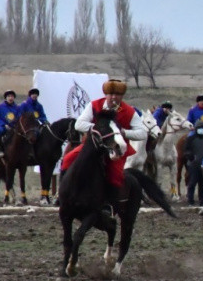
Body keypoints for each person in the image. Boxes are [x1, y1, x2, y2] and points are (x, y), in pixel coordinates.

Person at [62, 79, 147, 218]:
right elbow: (79, 124)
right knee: (67, 159)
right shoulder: (95, 105)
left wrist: (125, 132)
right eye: (110, 94)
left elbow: (142, 133)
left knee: (115, 175)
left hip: (115, 149)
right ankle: (63, 195)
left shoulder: (129, 111)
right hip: (92, 146)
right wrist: (98, 130)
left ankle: (108, 205)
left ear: (122, 96)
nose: (114, 97)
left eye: (117, 94)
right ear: (106, 94)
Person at [0, 90, 19, 157]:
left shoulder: (17, 107)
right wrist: (4, 124)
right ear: (6, 98)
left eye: (12, 96)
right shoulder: (0, 107)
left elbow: (19, 117)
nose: (10, 98)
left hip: (14, 127)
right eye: (8, 96)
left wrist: (15, 125)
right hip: (3, 127)